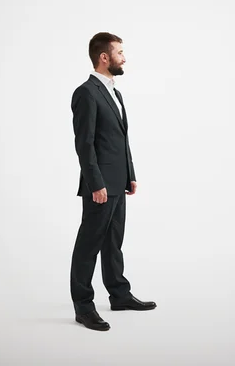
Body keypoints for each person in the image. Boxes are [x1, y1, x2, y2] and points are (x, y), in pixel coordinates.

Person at [70, 32, 156, 331]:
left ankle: (119, 294)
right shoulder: (87, 92)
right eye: (119, 52)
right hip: (100, 185)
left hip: (118, 181)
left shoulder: (114, 93)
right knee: (88, 245)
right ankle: (83, 306)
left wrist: (130, 174)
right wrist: (96, 183)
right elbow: (85, 144)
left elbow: (120, 139)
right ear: (103, 57)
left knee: (113, 242)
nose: (124, 57)